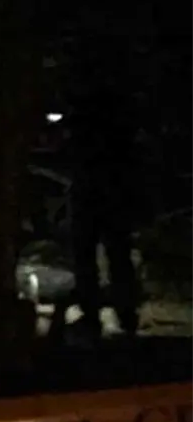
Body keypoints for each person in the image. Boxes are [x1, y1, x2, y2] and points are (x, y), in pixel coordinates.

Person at [67, 68, 139, 340]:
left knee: (89, 254)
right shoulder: (117, 120)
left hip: (94, 191)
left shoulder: (87, 118)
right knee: (116, 253)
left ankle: (96, 314)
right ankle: (124, 313)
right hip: (112, 191)